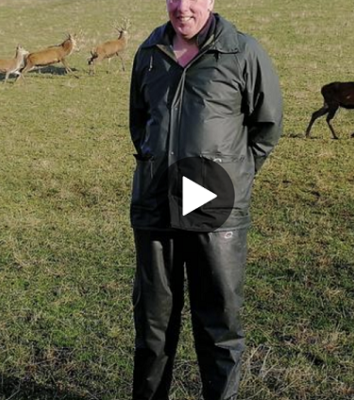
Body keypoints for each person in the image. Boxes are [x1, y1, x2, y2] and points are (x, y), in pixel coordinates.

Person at [128, 0, 282, 399]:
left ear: (211, 1)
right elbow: (140, 121)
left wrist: (231, 177)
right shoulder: (149, 52)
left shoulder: (242, 51)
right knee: (153, 323)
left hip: (214, 204)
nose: (182, 7)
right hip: (155, 200)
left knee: (218, 322)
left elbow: (265, 127)